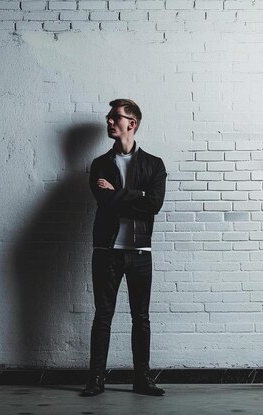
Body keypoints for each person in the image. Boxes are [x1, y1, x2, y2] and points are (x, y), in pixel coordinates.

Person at [81, 99, 167, 397]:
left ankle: (142, 379)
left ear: (132, 123)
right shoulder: (100, 164)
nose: (109, 122)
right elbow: (104, 202)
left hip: (141, 252)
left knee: (140, 318)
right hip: (107, 250)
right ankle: (95, 379)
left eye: (115, 117)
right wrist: (136, 196)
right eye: (108, 117)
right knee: (103, 316)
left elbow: (153, 205)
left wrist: (117, 193)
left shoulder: (153, 164)